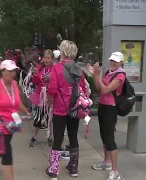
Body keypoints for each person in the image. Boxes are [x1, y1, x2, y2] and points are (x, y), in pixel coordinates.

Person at [45, 40, 87, 180]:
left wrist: (49, 101)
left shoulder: (56, 69)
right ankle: (73, 168)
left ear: (63, 52)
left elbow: (51, 90)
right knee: (73, 137)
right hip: (74, 109)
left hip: (60, 109)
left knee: (58, 139)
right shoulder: (78, 69)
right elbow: (82, 89)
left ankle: (53, 170)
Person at [87, 52, 125, 180]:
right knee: (104, 136)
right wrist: (95, 76)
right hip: (103, 106)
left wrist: (97, 75)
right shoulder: (109, 72)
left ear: (121, 63)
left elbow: (106, 90)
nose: (113, 63)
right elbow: (99, 88)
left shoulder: (120, 75)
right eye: (112, 60)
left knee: (110, 139)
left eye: (116, 61)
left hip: (111, 108)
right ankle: (107, 162)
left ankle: (115, 171)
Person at [29, 49, 54, 147]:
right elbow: (35, 82)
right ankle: (34, 137)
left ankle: (50, 137)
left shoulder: (55, 69)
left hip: (50, 96)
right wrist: (35, 74)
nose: (46, 60)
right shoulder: (40, 68)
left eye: (48, 58)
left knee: (50, 118)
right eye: (45, 58)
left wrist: (51, 78)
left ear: (52, 59)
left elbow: (58, 81)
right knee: (38, 116)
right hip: (40, 96)